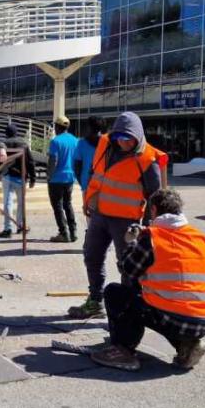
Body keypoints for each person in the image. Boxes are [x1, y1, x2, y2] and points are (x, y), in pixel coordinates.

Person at [90, 189, 205, 372]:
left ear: (154, 210)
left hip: (173, 318)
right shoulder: (201, 239)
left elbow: (128, 269)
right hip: (202, 320)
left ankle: (122, 350)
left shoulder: (153, 238)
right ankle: (187, 346)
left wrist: (132, 241)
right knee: (171, 305)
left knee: (116, 293)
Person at [69, 111, 162, 319]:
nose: (122, 143)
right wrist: (89, 201)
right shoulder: (106, 146)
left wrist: (147, 227)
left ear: (137, 136)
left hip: (126, 222)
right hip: (100, 215)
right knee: (91, 255)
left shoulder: (147, 160)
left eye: (127, 139)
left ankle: (127, 309)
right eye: (119, 138)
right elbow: (95, 174)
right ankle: (95, 300)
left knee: (127, 265)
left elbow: (155, 197)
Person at [0, 123, 36, 239]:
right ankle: (20, 225)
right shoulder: (23, 143)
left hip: (7, 176)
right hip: (21, 176)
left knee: (7, 203)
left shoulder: (4, 144)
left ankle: (7, 228)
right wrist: (33, 177)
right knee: (21, 203)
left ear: (6, 133)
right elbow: (30, 161)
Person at [47, 116, 79, 243]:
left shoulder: (55, 141)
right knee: (68, 204)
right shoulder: (75, 140)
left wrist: (49, 175)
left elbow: (53, 160)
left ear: (57, 127)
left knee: (58, 206)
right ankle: (73, 231)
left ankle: (63, 233)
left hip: (56, 179)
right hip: (70, 177)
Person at [73, 116, 106, 195]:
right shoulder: (107, 142)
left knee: (89, 207)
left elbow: (77, 166)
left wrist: (83, 183)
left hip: (87, 185)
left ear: (89, 127)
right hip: (104, 185)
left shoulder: (81, 143)